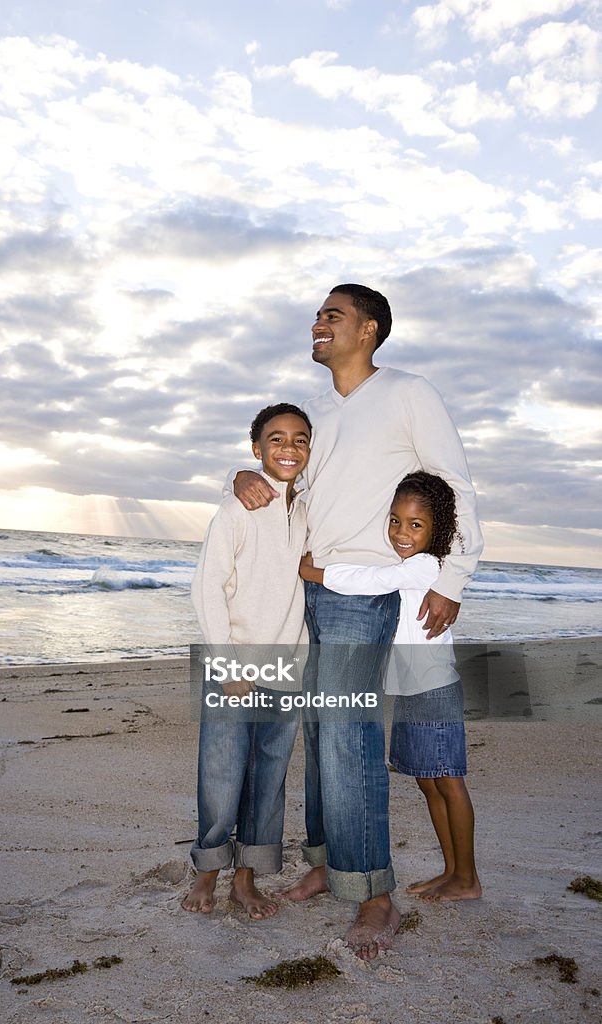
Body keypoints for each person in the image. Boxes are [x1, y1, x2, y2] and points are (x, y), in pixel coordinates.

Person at [233, 284, 483, 959]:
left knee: (348, 741)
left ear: (368, 330)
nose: (318, 323)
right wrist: (244, 478)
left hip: (360, 592)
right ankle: (328, 862)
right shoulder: (312, 410)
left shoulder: (408, 393)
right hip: (304, 585)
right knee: (320, 736)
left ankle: (372, 894)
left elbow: (451, 483)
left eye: (332, 315)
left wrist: (453, 576)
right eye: (317, 315)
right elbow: (292, 483)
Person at [299, 471, 482, 903]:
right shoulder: (407, 564)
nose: (401, 532)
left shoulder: (426, 567)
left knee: (449, 782)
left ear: (438, 530)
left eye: (415, 524)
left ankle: (467, 877)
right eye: (395, 520)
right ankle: (452, 870)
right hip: (412, 691)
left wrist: (312, 571)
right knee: (429, 782)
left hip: (433, 689)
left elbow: (368, 580)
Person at [182, 403, 311, 920]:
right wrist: (226, 664)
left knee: (269, 778)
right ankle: (207, 872)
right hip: (232, 666)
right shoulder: (237, 508)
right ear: (256, 449)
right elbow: (206, 586)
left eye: (300, 440)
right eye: (275, 439)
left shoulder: (306, 509)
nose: (288, 448)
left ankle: (246, 879)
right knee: (220, 775)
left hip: (287, 669)